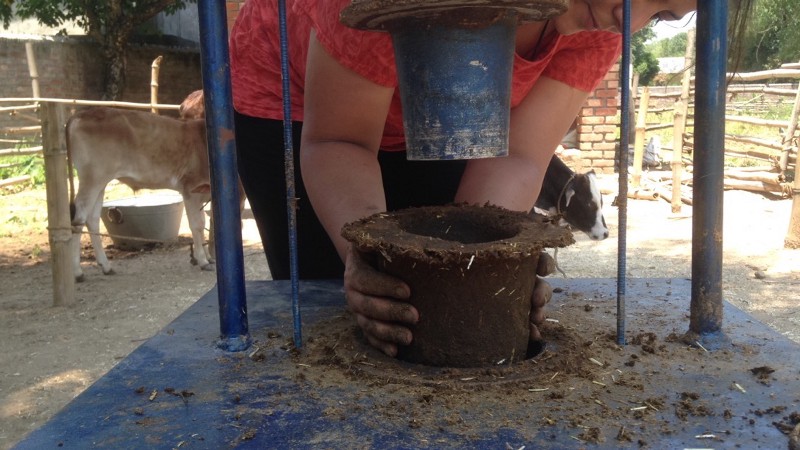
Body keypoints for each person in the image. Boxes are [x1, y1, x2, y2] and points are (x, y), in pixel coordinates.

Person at [229, 0, 753, 357]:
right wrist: (366, 258)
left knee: (441, 299)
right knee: (347, 308)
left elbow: (522, 154)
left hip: (452, 119)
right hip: (294, 104)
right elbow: (340, 141)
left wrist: (493, 267)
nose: (628, 16)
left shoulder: (600, 21)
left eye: (662, 12)